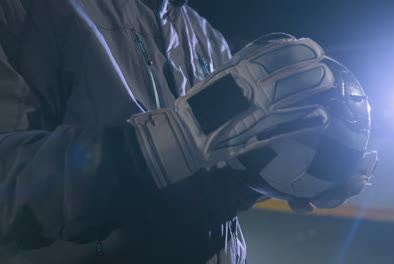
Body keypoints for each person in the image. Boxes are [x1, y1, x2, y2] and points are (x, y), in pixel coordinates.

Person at [0, 1, 374, 263]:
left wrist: (269, 173)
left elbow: (201, 178)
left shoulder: (205, 36)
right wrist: (165, 142)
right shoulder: (27, 10)